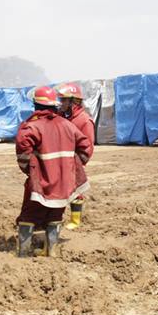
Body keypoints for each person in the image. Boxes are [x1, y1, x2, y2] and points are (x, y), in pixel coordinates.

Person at [15, 86, 93, 257]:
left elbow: (23, 153)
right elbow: (86, 147)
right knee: (55, 214)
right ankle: (51, 251)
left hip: (41, 182)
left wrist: (31, 171)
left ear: (36, 105)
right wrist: (71, 168)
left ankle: (23, 254)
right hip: (64, 182)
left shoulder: (31, 127)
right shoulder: (67, 125)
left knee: (29, 215)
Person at [55, 82, 95, 230]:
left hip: (73, 162)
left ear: (74, 101)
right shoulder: (60, 117)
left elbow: (87, 147)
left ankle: (75, 220)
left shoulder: (84, 120)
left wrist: (77, 163)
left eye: (64, 100)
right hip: (58, 160)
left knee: (75, 191)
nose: (61, 103)